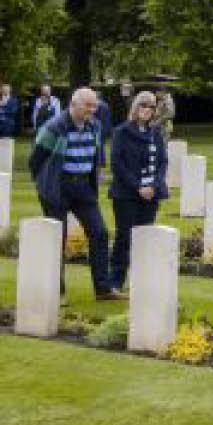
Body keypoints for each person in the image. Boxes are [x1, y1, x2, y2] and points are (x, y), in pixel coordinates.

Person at [29, 87, 123, 301]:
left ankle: (102, 288)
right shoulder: (54, 128)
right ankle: (57, 291)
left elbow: (96, 156)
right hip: (57, 187)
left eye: (94, 105)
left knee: (99, 233)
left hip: (83, 188)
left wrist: (95, 176)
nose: (92, 109)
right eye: (88, 105)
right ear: (73, 104)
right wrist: (45, 185)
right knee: (56, 240)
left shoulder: (95, 126)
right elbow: (36, 160)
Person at [107, 91, 168, 290]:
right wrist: (138, 186)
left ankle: (142, 279)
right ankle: (116, 280)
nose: (147, 110)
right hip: (126, 194)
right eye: (143, 105)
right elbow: (117, 164)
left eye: (151, 107)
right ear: (135, 107)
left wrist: (154, 185)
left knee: (145, 237)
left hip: (151, 194)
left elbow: (162, 162)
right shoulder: (121, 132)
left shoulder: (156, 133)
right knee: (124, 236)